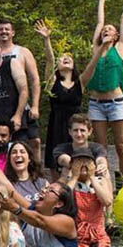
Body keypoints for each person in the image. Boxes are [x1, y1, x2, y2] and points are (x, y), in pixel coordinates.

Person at [81, 0, 123, 179]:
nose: (106, 30)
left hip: (116, 103)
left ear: (116, 35)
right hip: (97, 104)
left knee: (121, 145)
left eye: (110, 29)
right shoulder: (96, 49)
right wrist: (101, 2)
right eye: (105, 30)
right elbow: (100, 22)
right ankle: (104, 181)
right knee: (100, 147)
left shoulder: (120, 48)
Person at [0, 19, 42, 163]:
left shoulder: (20, 53)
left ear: (13, 32)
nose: (4, 32)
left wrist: (35, 105)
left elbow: (33, 81)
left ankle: (37, 175)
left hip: (18, 109)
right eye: (0, 29)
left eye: (7, 29)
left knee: (31, 143)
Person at [67, 149, 122, 247]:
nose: (83, 164)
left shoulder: (100, 181)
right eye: (79, 161)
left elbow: (107, 201)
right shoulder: (68, 182)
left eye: (87, 161)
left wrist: (91, 177)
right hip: (77, 236)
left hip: (97, 234)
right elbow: (63, 199)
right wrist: (75, 176)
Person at [34, 21, 82, 175]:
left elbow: (93, 64)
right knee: (56, 162)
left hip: (76, 126)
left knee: (77, 160)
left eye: (69, 57)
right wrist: (47, 40)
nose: (65, 59)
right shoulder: (52, 82)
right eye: (62, 58)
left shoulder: (81, 83)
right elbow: (50, 60)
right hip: (56, 125)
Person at [52, 113, 109, 180]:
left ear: (89, 131)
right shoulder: (60, 149)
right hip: (71, 181)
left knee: (105, 172)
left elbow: (101, 159)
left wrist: (102, 165)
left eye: (82, 130)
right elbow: (65, 160)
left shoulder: (98, 147)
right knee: (66, 169)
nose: (79, 134)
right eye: (75, 130)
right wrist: (82, 167)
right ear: (70, 132)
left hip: (93, 181)